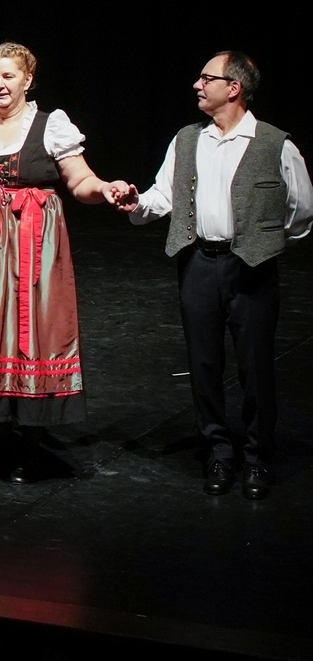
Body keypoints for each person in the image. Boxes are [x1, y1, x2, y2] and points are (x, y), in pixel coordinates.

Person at [0, 43, 128, 482]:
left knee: (34, 331)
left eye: (8, 76)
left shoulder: (51, 126)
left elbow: (80, 180)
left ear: (27, 80)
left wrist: (105, 188)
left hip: (36, 246)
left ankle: (29, 441)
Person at [119, 50, 311, 499]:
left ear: (234, 88)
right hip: (199, 264)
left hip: (251, 267)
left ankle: (257, 458)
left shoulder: (275, 144)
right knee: (204, 364)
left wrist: (264, 242)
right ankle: (219, 454)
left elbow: (301, 211)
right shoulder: (188, 139)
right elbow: (163, 196)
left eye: (207, 78)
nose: (197, 85)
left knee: (255, 366)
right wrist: (136, 203)